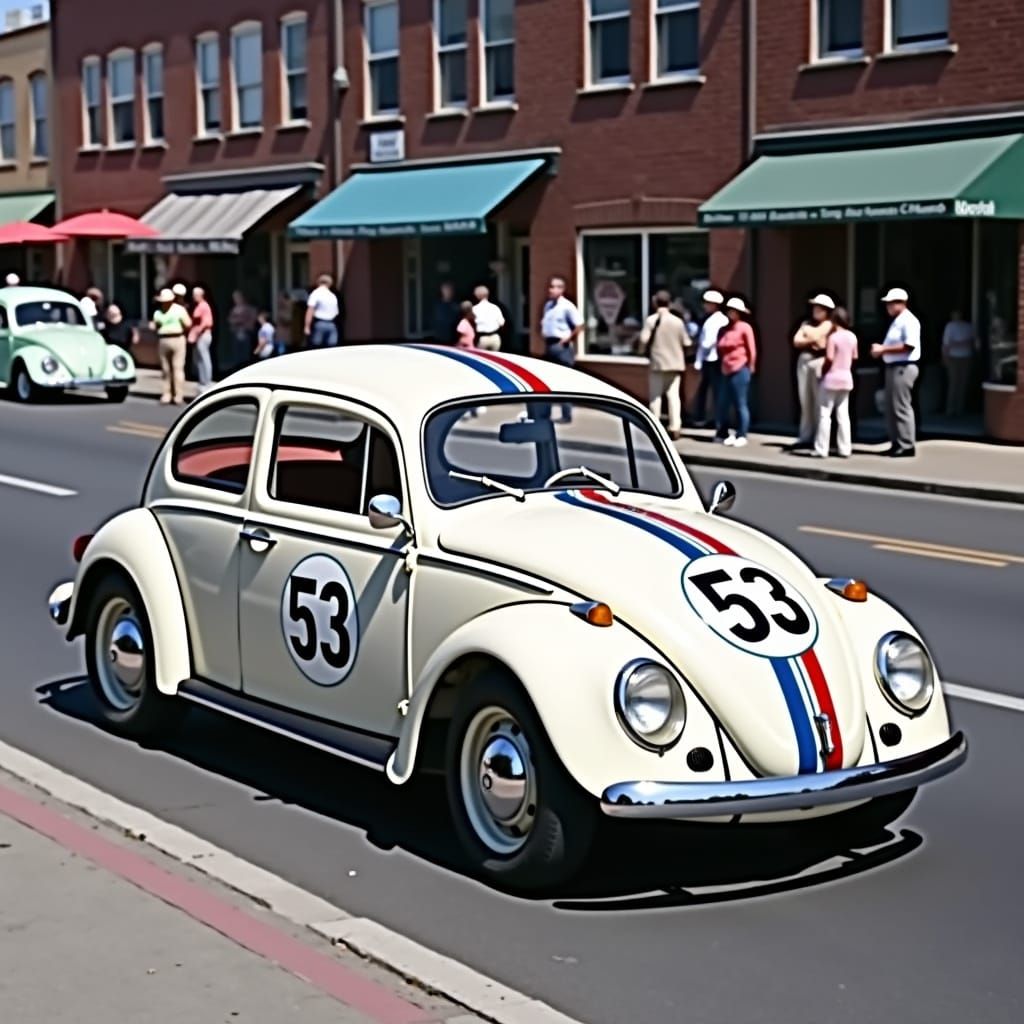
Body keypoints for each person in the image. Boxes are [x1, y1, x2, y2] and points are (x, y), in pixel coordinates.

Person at [872, 287, 921, 458]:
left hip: (904, 366)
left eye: (891, 303)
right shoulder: (897, 321)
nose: (888, 306)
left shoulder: (909, 321)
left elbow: (909, 346)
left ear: (901, 303)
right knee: (891, 406)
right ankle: (896, 442)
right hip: (894, 366)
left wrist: (883, 349)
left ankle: (906, 444)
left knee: (901, 406)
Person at [640, 290, 688, 440]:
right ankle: (675, 426)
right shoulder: (678, 321)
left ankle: (655, 426)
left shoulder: (651, 320)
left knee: (655, 397)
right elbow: (687, 342)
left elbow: (643, 339)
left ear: (655, 302)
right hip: (675, 364)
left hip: (658, 363)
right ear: (669, 303)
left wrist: (641, 351)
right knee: (674, 396)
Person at [813, 306, 858, 459]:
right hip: (846, 377)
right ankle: (845, 449)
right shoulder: (852, 337)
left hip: (831, 378)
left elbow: (830, 358)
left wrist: (823, 372)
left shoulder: (833, 337)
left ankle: (822, 448)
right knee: (843, 415)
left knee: (825, 414)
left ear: (834, 320)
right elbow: (855, 357)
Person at [792, 293, 835, 449]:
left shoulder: (830, 324)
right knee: (805, 399)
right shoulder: (806, 323)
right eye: (815, 307)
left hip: (819, 361)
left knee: (819, 400)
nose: (816, 310)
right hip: (804, 360)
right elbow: (797, 341)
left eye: (820, 308)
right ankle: (805, 435)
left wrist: (808, 335)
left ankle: (819, 436)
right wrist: (812, 338)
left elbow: (822, 341)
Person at [715, 297, 757, 447]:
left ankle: (742, 434)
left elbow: (751, 349)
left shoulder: (745, 327)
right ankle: (723, 432)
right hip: (725, 369)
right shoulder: (724, 329)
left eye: (734, 311)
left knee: (740, 403)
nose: (731, 313)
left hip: (740, 368)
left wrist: (751, 366)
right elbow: (719, 347)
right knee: (723, 403)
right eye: (729, 310)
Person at [540, 276, 583, 423]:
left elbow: (579, 325)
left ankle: (566, 414)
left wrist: (568, 339)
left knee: (564, 382)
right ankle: (545, 414)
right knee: (547, 382)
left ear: (561, 289)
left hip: (562, 346)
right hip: (550, 345)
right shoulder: (548, 306)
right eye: (550, 287)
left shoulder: (567, 306)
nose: (550, 290)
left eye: (554, 287)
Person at [150, 287, 192, 405]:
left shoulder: (159, 312)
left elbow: (154, 326)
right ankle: (174, 395)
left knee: (170, 369)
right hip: (173, 338)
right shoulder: (179, 310)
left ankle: (171, 394)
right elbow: (188, 323)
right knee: (171, 369)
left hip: (169, 339)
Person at [693, 289, 727, 426]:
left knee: (717, 391)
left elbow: (709, 341)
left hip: (715, 359)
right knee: (705, 390)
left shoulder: (720, 320)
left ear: (714, 304)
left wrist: (703, 346)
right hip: (708, 359)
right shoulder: (709, 320)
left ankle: (718, 421)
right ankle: (703, 417)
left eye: (707, 303)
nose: (705, 306)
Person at [941, 309, 977, 417]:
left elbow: (947, 344)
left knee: (956, 383)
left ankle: (953, 409)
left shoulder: (953, 326)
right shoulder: (966, 326)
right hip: (963, 356)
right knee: (960, 383)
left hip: (956, 356)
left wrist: (945, 357)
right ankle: (957, 409)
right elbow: (970, 342)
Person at [188, 286, 215, 392]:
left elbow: (207, 322)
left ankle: (206, 382)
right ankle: (202, 380)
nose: (193, 297)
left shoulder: (204, 306)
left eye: (195, 295)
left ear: (200, 295)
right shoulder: (200, 305)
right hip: (200, 336)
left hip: (203, 336)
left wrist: (198, 331)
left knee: (204, 358)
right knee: (199, 359)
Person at [304, 273, 340, 348]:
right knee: (331, 348)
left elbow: (310, 310)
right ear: (330, 284)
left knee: (317, 348)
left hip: (319, 324)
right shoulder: (332, 295)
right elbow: (336, 312)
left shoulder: (315, 293)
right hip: (332, 324)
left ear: (318, 282)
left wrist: (307, 326)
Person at [228, 290, 257, 369]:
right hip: (236, 334)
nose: (236, 300)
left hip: (246, 334)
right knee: (237, 356)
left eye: (237, 298)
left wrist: (241, 321)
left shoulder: (249, 308)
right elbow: (230, 320)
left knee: (245, 356)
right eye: (234, 298)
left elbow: (252, 320)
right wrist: (237, 321)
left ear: (242, 298)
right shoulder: (234, 309)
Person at [472, 285, 505, 352]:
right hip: (495, 338)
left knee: (482, 359)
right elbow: (502, 323)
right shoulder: (495, 308)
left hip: (482, 338)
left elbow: (471, 324)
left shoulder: (474, 309)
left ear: (477, 296)